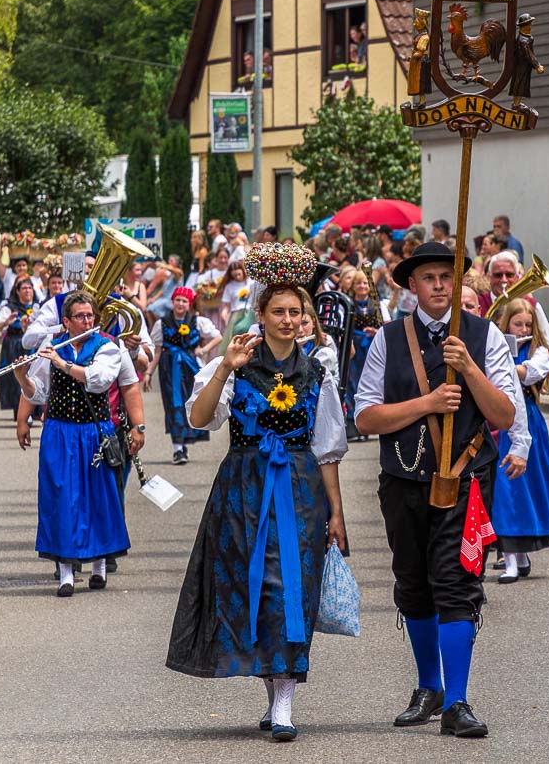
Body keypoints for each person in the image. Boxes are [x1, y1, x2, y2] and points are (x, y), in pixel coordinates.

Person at [166, 243, 347, 742]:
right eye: (279, 311)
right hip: (243, 488)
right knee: (259, 588)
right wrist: (224, 366)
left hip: (300, 487)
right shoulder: (238, 363)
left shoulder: (319, 371)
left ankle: (284, 701)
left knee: (294, 589)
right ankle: (275, 695)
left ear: (305, 318)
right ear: (261, 314)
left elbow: (328, 447)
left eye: (296, 311)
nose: (288, 319)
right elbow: (199, 419)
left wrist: (337, 512)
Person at [354, 241, 521, 738]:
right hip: (403, 479)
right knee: (412, 582)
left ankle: (457, 700)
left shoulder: (483, 334)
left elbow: (505, 415)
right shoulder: (388, 338)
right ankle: (428, 687)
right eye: (429, 278)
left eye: (448, 278)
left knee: (457, 584)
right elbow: (365, 416)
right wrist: (427, 402)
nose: (440, 286)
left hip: (466, 479)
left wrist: (468, 368)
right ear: (412, 286)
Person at [15, 291, 130, 597]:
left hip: (93, 432)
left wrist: (62, 363)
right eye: (80, 317)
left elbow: (99, 380)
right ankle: (66, 573)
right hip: (60, 430)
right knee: (60, 496)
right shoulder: (51, 345)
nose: (87, 321)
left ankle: (100, 566)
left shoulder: (107, 346)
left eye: (90, 316)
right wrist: (21, 377)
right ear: (66, 321)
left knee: (97, 497)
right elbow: (38, 392)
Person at [492, 298, 549, 583]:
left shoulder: (540, 350)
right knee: (505, 489)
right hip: (498, 419)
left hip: (529, 423)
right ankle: (511, 558)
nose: (523, 328)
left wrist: (505, 362)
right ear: (506, 324)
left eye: (527, 325)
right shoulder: (496, 345)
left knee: (524, 488)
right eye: (517, 324)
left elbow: (530, 372)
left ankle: (519, 556)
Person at [150, 286, 221, 464]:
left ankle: (185, 441)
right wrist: (148, 373)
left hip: (191, 367)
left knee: (191, 402)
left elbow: (217, 336)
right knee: (174, 405)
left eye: (184, 301)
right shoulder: (162, 323)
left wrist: (203, 349)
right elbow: (157, 351)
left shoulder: (197, 321)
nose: (180, 303)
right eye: (178, 300)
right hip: (169, 368)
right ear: (172, 301)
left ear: (189, 304)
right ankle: (178, 448)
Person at [0, 277, 39, 418]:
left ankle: (35, 410)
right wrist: (6, 322)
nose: (28, 291)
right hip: (14, 345)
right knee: (17, 379)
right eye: (24, 288)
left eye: (30, 288)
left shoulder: (38, 307)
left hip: (33, 346)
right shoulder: (9, 308)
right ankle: (21, 411)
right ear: (17, 291)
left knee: (35, 376)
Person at [346, 269, 387, 441]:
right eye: (358, 283)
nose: (362, 286)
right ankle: (354, 426)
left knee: (372, 382)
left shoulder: (376, 304)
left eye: (365, 283)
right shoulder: (348, 304)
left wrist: (375, 331)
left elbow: (384, 325)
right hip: (355, 346)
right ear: (353, 286)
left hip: (371, 345)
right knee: (353, 383)